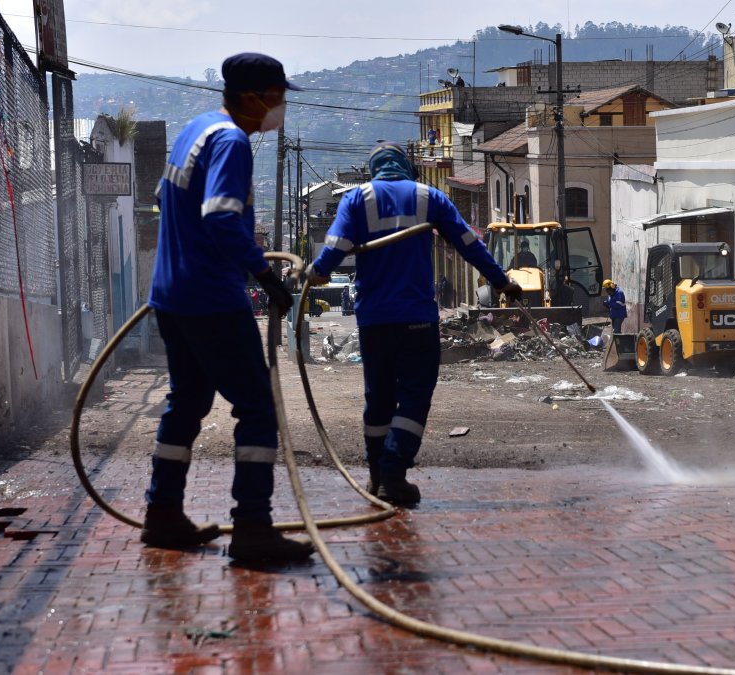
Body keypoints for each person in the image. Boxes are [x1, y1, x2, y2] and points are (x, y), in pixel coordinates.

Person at [144, 53, 313, 561]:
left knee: (188, 404)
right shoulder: (232, 140)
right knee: (258, 407)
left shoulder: (196, 127)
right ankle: (253, 527)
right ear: (251, 98)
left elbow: (161, 197)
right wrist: (265, 275)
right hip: (211, 297)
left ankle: (163, 514)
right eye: (277, 96)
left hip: (171, 296)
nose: (281, 106)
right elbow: (220, 218)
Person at [306, 141, 522, 506]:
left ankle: (378, 475)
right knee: (414, 398)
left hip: (374, 321)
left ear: (375, 170)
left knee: (379, 400)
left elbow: (336, 246)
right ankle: (393, 471)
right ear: (407, 167)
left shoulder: (357, 200)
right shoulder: (429, 197)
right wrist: (502, 282)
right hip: (418, 321)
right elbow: (470, 243)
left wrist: (318, 272)